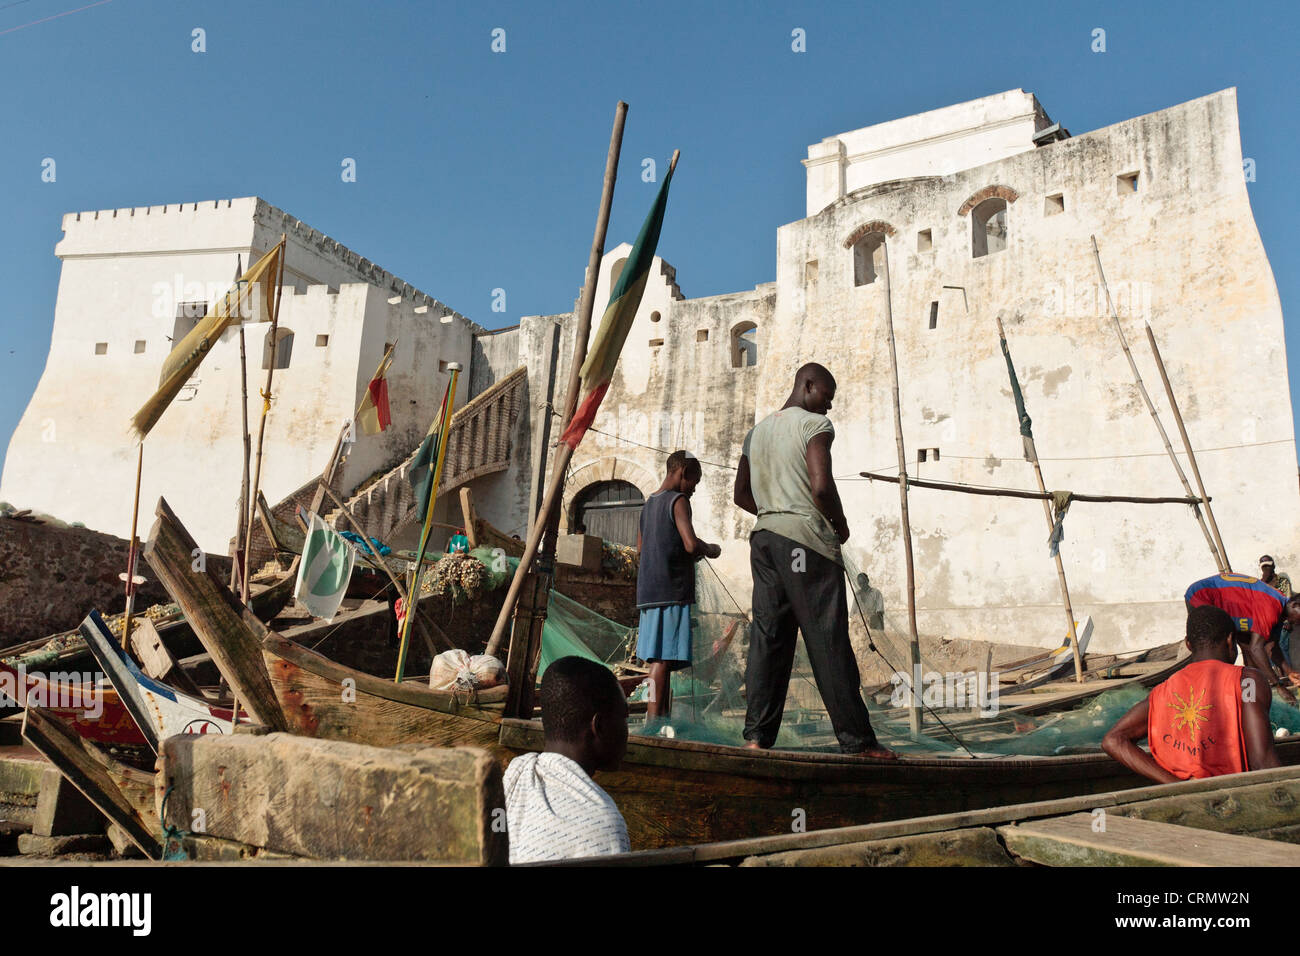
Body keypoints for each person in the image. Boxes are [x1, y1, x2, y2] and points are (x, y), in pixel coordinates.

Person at [733, 363, 895, 759]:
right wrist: (838, 525)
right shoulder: (814, 427)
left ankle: (756, 739)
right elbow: (821, 486)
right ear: (807, 386)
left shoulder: (756, 434)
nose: (829, 406)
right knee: (827, 639)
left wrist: (775, 512)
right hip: (805, 547)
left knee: (769, 640)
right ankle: (858, 743)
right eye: (827, 395)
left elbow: (741, 495)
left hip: (766, 542)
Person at [1102, 605, 1280, 782]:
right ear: (1230, 640)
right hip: (1230, 796)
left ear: (1188, 644)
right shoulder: (1247, 680)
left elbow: (1113, 740)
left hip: (1179, 799)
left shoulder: (1162, 690)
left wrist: (1174, 784)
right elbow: (1262, 763)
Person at [503, 656, 630, 863]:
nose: (626, 730)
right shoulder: (602, 823)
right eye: (624, 717)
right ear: (598, 726)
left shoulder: (516, 776)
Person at [635, 450, 721, 722]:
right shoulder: (678, 500)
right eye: (694, 482)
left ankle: (659, 717)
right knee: (662, 661)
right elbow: (690, 544)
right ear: (683, 473)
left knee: (659, 662)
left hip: (648, 593)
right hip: (670, 591)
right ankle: (653, 721)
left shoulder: (648, 503)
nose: (693, 489)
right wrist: (711, 548)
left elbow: (639, 548)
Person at [1185, 571, 1300, 699]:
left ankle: (1251, 695)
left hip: (1231, 606)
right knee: (1218, 649)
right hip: (1201, 596)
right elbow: (1256, 648)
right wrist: (1278, 685)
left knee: (1246, 645)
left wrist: (1290, 672)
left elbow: (1271, 646)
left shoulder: (1280, 610)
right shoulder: (1272, 607)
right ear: (1295, 605)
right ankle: (1212, 694)